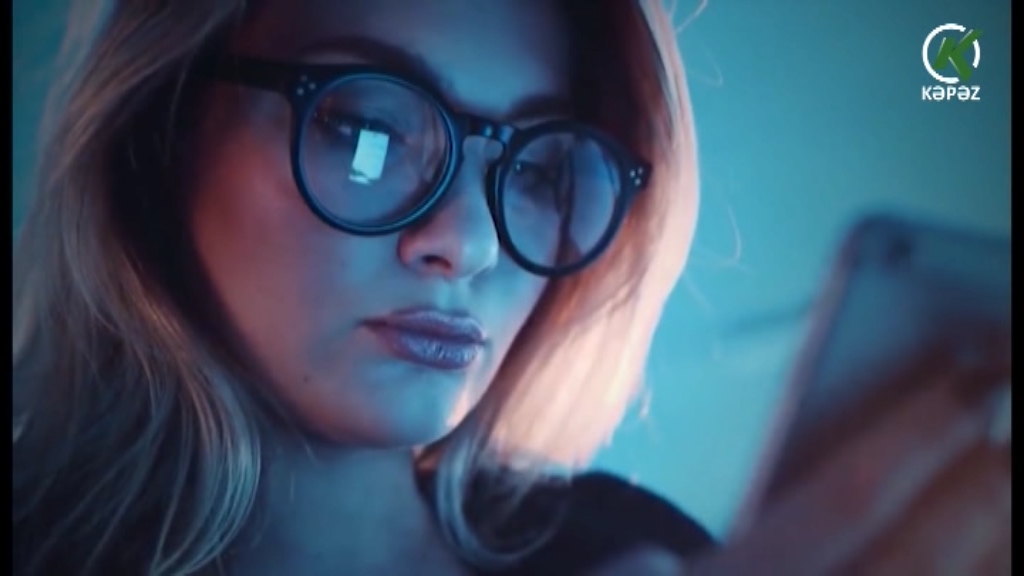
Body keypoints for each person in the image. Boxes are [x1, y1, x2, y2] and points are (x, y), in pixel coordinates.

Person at [11, 1, 1009, 575]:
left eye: (535, 171)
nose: (471, 243)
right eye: (368, 132)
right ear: (159, 132)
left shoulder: (623, 550)